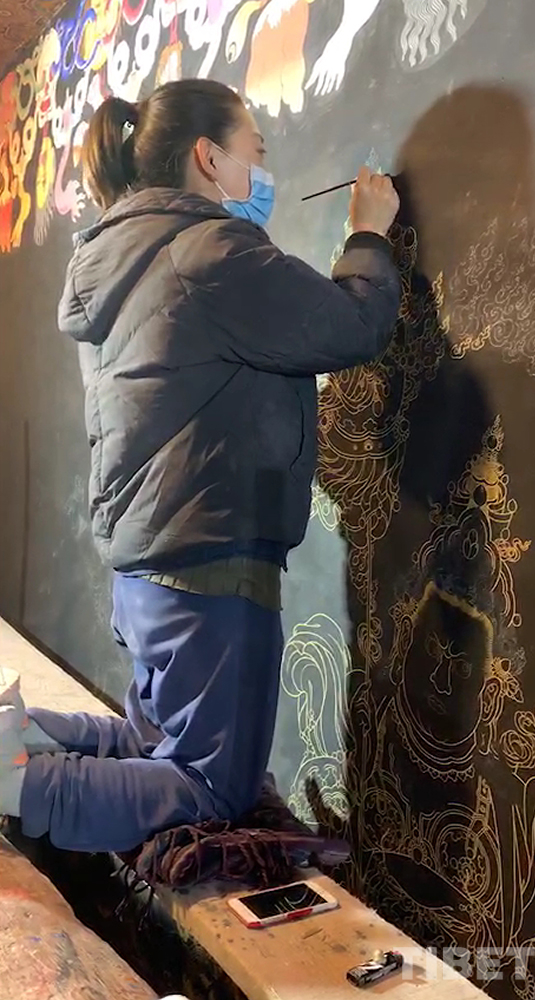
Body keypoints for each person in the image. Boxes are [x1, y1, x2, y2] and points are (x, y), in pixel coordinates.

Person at [0, 79, 400, 853]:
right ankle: (13, 779)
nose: (262, 168)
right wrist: (367, 234)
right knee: (211, 786)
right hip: (208, 560)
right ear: (209, 157)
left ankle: (16, 733)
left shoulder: (119, 260)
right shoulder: (213, 251)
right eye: (255, 150)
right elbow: (350, 325)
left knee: (156, 744)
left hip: (147, 568)